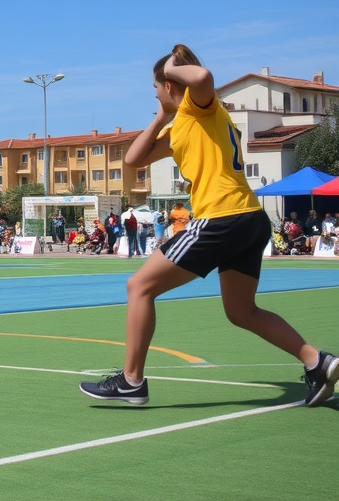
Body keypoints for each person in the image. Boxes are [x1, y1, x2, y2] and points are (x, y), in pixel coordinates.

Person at [80, 44, 338, 407]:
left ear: (169, 83)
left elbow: (202, 78)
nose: (154, 93)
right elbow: (134, 159)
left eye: (157, 86)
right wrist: (158, 118)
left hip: (222, 216)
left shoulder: (199, 106)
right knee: (241, 311)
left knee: (139, 286)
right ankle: (317, 362)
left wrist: (171, 67)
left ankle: (131, 381)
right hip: (249, 219)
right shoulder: (182, 124)